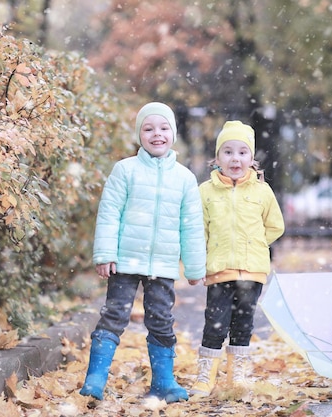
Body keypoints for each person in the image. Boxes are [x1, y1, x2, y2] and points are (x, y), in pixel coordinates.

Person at [79, 102, 206, 403]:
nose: (156, 134)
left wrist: (195, 267)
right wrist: (105, 254)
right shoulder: (125, 170)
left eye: (163, 128)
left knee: (161, 319)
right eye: (148, 129)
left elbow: (191, 226)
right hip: (124, 261)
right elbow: (109, 213)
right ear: (139, 135)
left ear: (173, 135)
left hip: (161, 265)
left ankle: (163, 381)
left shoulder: (185, 178)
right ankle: (95, 379)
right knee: (114, 316)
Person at [189, 120, 285, 396]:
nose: (235, 158)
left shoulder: (261, 191)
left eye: (242, 152)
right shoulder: (205, 193)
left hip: (251, 271)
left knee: (243, 322)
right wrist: (202, 259)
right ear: (217, 158)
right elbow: (200, 230)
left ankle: (237, 375)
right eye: (228, 151)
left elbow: (275, 226)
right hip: (219, 269)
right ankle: (205, 375)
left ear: (251, 159)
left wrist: (254, 244)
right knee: (215, 321)